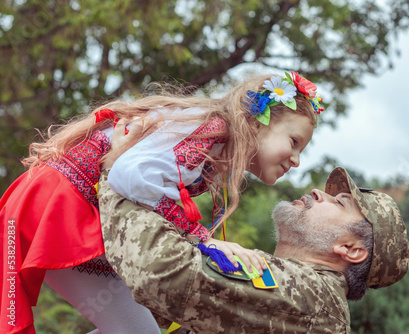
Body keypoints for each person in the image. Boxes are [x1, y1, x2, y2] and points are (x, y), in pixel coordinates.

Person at [0, 72, 323, 333]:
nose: (295, 160)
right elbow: (129, 176)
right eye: (294, 142)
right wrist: (200, 238)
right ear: (258, 122)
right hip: (61, 207)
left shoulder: (212, 138)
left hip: (64, 203)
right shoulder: (210, 131)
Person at [99, 166, 409, 333]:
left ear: (350, 249)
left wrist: (119, 176)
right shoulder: (302, 292)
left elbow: (161, 271)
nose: (318, 192)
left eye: (340, 202)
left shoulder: (314, 297)